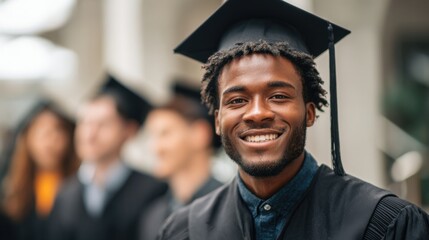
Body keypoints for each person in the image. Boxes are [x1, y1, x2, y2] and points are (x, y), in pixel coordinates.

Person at [158, 0, 429, 239]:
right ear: (217, 120)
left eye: (277, 96)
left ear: (310, 112)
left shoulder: (383, 223)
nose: (257, 113)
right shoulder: (183, 231)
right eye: (237, 100)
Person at [48, 75, 167, 240]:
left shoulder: (153, 190)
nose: (89, 134)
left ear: (129, 131)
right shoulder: (65, 194)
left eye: (102, 124)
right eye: (84, 123)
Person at [139, 82, 222, 240]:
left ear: (199, 134)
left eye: (165, 133)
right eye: (151, 136)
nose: (155, 148)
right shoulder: (152, 216)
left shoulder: (231, 208)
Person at [0, 100, 79, 240]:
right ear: (28, 137)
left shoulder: (80, 187)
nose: (50, 140)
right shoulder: (11, 187)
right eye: (42, 131)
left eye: (58, 130)